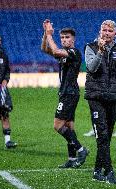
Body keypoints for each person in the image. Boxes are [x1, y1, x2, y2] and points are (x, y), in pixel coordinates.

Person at [84, 20, 116, 184]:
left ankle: (97, 171)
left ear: (115, 34)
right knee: (102, 136)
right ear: (100, 30)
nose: (106, 33)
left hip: (114, 97)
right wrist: (101, 52)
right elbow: (91, 67)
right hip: (96, 97)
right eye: (104, 30)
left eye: (110, 31)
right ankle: (109, 172)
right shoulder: (91, 46)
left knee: (106, 137)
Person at [41, 19, 89, 168]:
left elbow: (55, 50)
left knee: (58, 125)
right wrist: (45, 34)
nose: (64, 40)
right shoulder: (64, 54)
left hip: (69, 93)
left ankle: (81, 150)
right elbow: (45, 49)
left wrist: (50, 34)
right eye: (62, 37)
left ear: (73, 39)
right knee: (69, 127)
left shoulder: (74, 52)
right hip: (67, 93)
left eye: (67, 37)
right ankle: (72, 159)